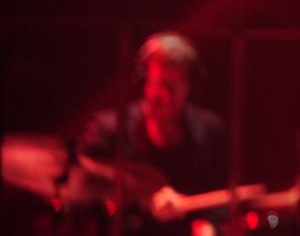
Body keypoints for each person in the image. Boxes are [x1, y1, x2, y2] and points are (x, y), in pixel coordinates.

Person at [77, 31, 228, 236]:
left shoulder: (211, 131)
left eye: (173, 86)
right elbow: (84, 190)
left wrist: (210, 227)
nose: (165, 95)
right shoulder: (108, 131)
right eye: (159, 84)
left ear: (190, 86)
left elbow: (221, 199)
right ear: (143, 82)